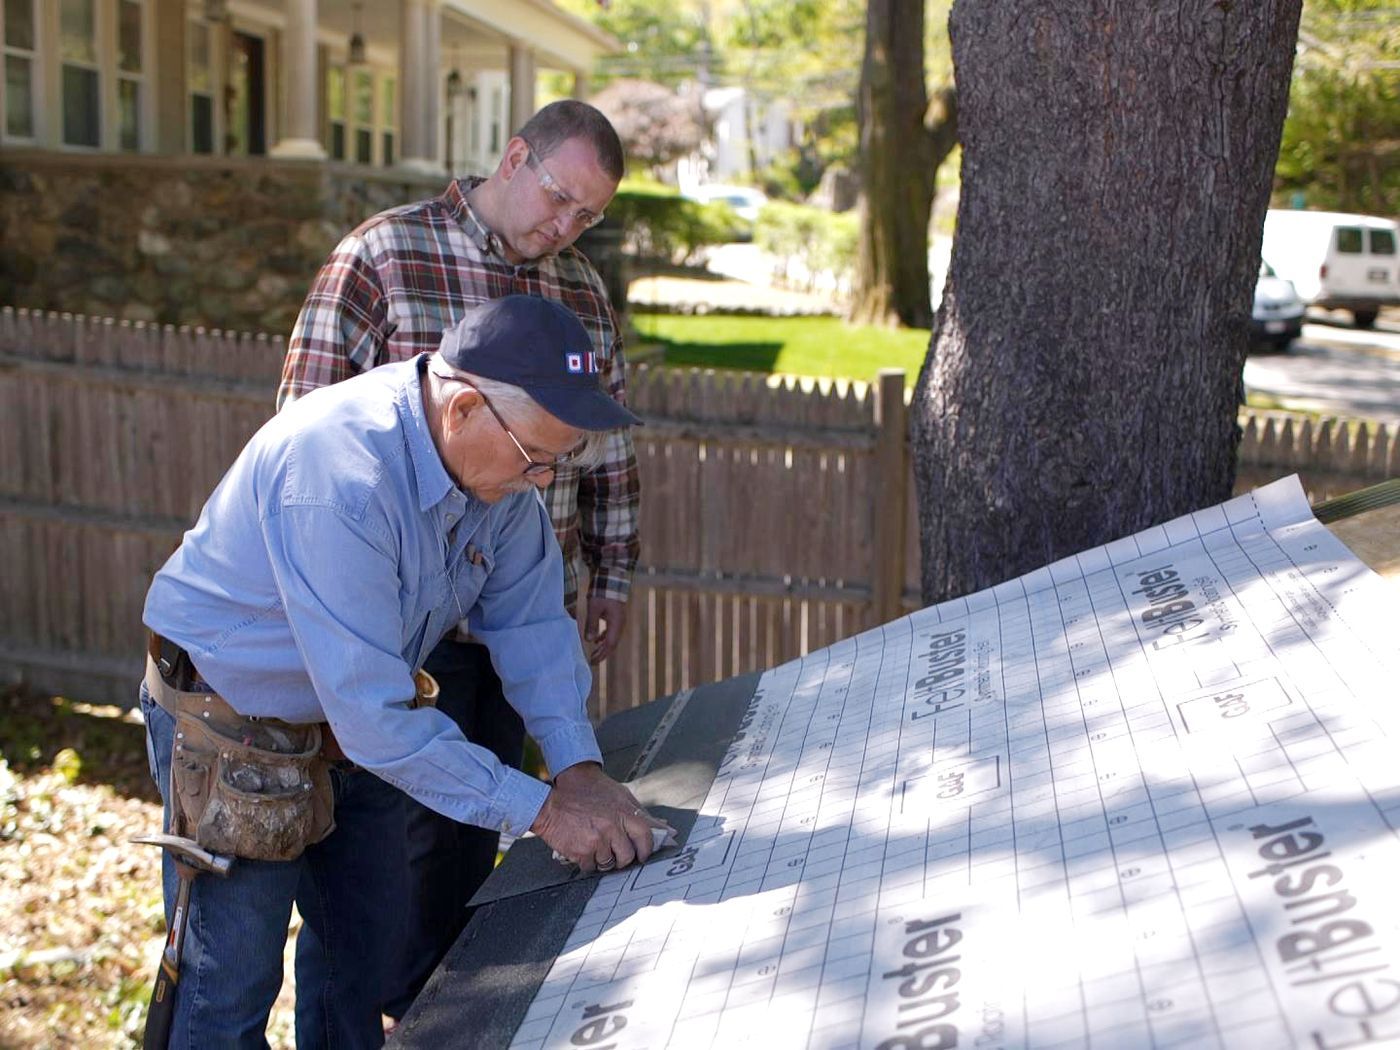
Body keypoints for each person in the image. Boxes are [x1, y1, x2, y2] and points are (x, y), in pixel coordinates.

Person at [140, 296, 671, 1049]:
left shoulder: (505, 467)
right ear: (461, 410)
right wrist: (548, 813)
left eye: (560, 461)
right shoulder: (339, 476)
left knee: (365, 962)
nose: (544, 479)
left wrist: (577, 765)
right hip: (231, 719)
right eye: (536, 459)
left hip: (351, 723)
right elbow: (378, 721)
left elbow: (530, 622)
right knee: (227, 991)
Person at [279, 99, 640, 1018]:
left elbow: (612, 447)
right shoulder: (385, 258)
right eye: (559, 198)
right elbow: (304, 433)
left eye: (587, 216)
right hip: (394, 619)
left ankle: (439, 1022)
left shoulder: (583, 293)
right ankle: (383, 1016)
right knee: (380, 858)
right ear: (514, 156)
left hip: (519, 605)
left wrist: (613, 564)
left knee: (464, 853)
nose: (565, 226)